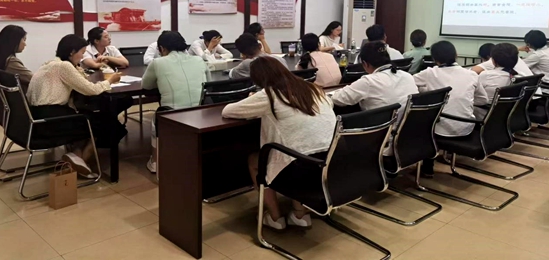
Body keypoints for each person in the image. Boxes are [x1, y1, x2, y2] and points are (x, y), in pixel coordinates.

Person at [222, 56, 336, 230]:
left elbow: (228, 111)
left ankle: (275, 217)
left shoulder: (269, 95)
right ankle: (300, 214)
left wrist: (253, 98)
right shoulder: (313, 88)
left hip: (300, 169)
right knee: (300, 149)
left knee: (256, 160)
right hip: (331, 162)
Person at [26, 34, 122, 177]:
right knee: (103, 123)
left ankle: (76, 159)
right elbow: (90, 89)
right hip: (51, 119)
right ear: (72, 52)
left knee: (89, 117)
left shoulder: (50, 63)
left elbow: (80, 81)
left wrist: (78, 69)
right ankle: (79, 164)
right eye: (81, 53)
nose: (82, 57)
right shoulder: (64, 66)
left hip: (37, 116)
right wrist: (110, 81)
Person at [331, 41, 418, 158]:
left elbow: (338, 99)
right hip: (408, 137)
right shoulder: (407, 76)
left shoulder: (369, 81)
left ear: (365, 63)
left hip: (381, 139)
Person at [413, 41, 488, 177]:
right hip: (467, 127)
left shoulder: (430, 73)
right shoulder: (471, 74)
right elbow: (483, 100)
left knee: (419, 121)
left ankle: (427, 167)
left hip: (441, 129)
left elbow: (409, 83)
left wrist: (426, 90)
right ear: (456, 55)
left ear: (434, 59)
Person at [141, 31, 209, 173]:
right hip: (201, 112)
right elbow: (208, 83)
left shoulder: (157, 63)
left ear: (162, 48)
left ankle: (155, 162)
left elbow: (146, 86)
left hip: (172, 115)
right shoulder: (199, 60)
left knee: (155, 120)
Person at [0, 25, 33, 92]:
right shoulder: (10, 61)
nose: (25, 44)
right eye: (24, 40)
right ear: (14, 40)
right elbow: (34, 79)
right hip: (22, 98)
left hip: (3, 98)